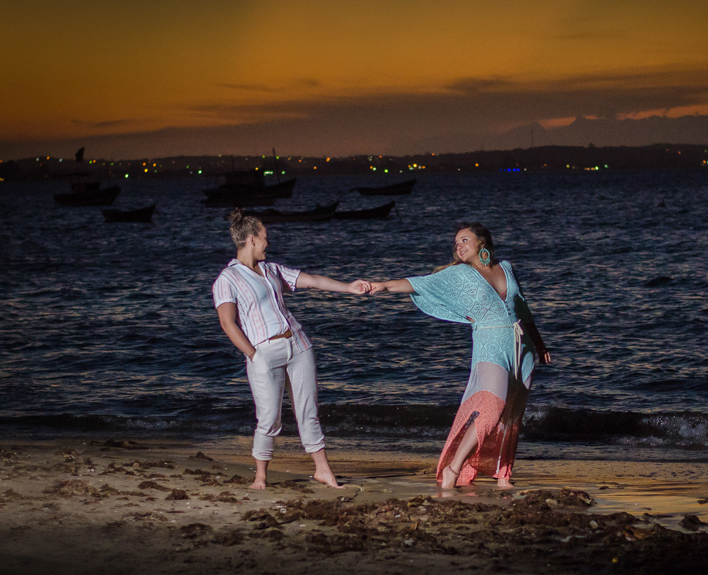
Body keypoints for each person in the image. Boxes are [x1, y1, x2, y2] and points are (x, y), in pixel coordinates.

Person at [371, 223, 550, 489]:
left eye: (465, 240)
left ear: (482, 243)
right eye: (456, 243)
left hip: (521, 348)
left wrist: (539, 343)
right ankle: (454, 469)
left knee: (511, 415)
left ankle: (503, 475)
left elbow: (522, 307)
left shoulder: (507, 268)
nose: (459, 246)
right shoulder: (459, 274)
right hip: (490, 347)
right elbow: (417, 284)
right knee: (491, 408)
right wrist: (381, 286)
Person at [213, 208, 371, 489]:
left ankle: (323, 470)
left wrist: (349, 288)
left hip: (298, 345)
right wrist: (253, 355)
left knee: (308, 411)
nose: (268, 243)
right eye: (264, 238)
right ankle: (261, 475)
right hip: (263, 353)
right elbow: (228, 324)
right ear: (250, 240)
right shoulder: (227, 279)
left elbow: (312, 281)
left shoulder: (272, 269)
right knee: (270, 418)